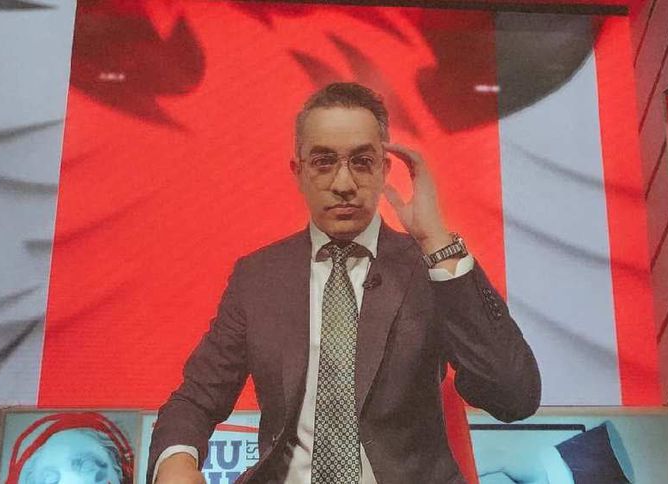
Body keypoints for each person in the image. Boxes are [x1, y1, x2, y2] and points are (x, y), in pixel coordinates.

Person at [147, 82, 541, 484]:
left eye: (362, 161)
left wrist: (436, 242)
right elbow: (196, 398)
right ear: (298, 172)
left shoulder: (428, 268)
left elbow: (514, 396)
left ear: (385, 169)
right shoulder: (259, 277)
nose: (344, 183)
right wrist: (176, 462)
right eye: (323, 162)